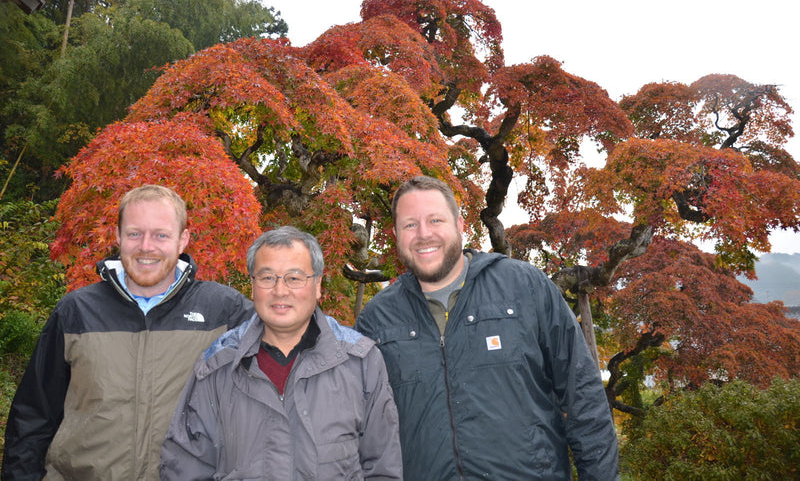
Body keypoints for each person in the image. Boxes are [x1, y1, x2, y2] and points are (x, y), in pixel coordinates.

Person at [355, 176, 620, 480]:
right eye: (410, 225)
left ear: (460, 225)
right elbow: (357, 432)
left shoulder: (524, 287)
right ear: (396, 234)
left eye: (435, 220)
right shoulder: (376, 320)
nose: (423, 234)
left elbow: (584, 399)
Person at [1, 185, 253, 481]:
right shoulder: (76, 311)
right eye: (135, 233)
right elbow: (33, 418)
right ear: (118, 236)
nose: (146, 246)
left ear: (182, 239)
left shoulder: (224, 311)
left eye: (161, 234)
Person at [160, 226, 402, 480]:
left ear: (317, 285)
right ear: (252, 286)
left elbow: (382, 467)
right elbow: (186, 468)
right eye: (267, 278)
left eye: (294, 278)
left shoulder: (360, 363)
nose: (280, 291)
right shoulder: (217, 366)